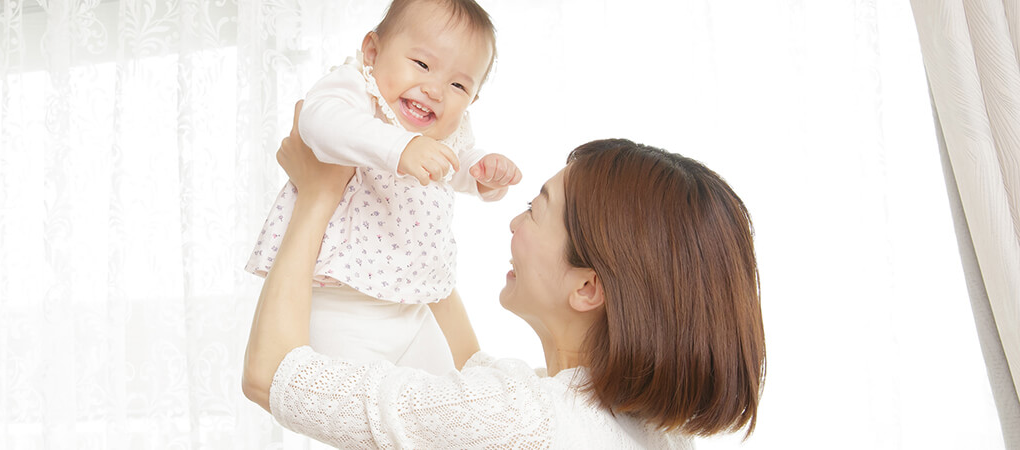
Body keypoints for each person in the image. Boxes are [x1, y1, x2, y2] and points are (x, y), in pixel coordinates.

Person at [241, 102, 767, 448]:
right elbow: (475, 374)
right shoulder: (656, 431)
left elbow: (272, 376)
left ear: (588, 287)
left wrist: (318, 194)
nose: (514, 223)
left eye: (536, 210)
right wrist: (404, 202)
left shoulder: (517, 418)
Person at [245, 0, 520, 376]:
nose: (435, 90)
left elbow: (454, 164)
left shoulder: (443, 132)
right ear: (373, 51)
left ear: (472, 99)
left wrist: (482, 173)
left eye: (458, 85)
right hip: (344, 303)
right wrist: (400, 148)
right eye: (422, 64)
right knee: (354, 400)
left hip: (414, 308)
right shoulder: (358, 90)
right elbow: (319, 122)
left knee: (442, 398)